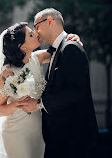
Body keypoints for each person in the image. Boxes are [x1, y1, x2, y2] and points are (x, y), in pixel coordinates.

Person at [0, 21, 81, 158]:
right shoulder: (7, 73)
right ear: (22, 46)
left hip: (39, 132)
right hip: (16, 133)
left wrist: (72, 38)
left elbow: (62, 51)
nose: (36, 34)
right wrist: (15, 105)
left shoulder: (37, 58)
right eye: (31, 34)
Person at [17, 8, 98, 158]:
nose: (36, 33)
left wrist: (39, 104)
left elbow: (76, 93)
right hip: (58, 140)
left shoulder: (71, 48)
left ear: (49, 21)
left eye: (36, 27)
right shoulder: (57, 50)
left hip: (74, 141)